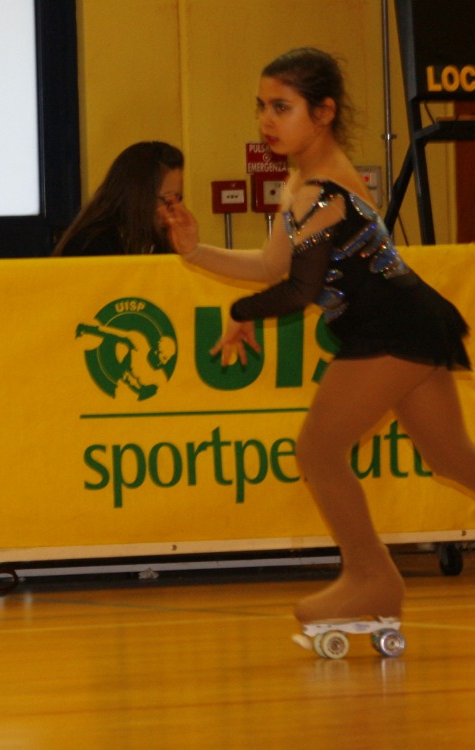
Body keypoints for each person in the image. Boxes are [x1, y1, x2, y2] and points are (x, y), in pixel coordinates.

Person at [161, 47, 475, 633]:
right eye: (262, 107)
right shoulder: (303, 183)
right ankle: (373, 579)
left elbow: (299, 291)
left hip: (390, 329)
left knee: (318, 450)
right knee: (451, 457)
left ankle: (372, 577)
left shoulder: (321, 192)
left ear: (323, 112)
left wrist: (241, 310)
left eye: (282, 107)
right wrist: (195, 252)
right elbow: (271, 265)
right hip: (407, 321)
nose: (266, 120)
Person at [54, 141, 183, 256]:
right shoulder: (92, 245)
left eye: (179, 198)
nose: (175, 209)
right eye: (167, 200)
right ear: (138, 196)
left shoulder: (163, 242)